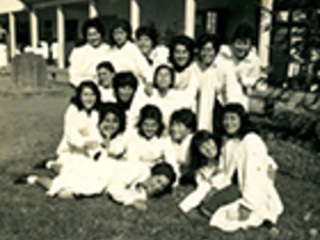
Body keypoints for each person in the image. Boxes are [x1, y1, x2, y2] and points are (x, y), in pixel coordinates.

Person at [190, 104, 283, 232]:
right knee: (205, 205)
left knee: (213, 211)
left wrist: (248, 204)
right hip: (235, 184)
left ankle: (264, 221)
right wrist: (214, 186)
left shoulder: (251, 140)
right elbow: (225, 170)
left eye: (233, 118)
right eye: (225, 119)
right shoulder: (229, 142)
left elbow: (254, 174)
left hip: (251, 189)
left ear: (241, 120)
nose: (228, 123)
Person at [14, 102, 130, 198]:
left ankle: (47, 166)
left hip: (103, 177)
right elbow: (93, 156)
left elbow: (117, 152)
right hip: (87, 172)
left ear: (120, 124)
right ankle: (35, 178)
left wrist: (108, 145)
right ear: (100, 122)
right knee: (63, 192)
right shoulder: (94, 137)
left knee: (65, 180)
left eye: (115, 121)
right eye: (106, 121)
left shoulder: (120, 140)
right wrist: (100, 144)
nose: (110, 125)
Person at [38, 81, 102, 172]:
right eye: (86, 95)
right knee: (73, 170)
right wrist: (84, 142)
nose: (89, 98)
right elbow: (70, 133)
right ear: (80, 96)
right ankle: (50, 164)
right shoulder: (73, 110)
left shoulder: (97, 112)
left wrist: (95, 143)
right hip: (73, 149)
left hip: (93, 148)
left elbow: (97, 131)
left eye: (92, 95)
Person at [196, 33, 243, 134]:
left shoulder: (225, 66)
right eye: (203, 50)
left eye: (210, 50)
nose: (206, 53)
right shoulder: (196, 66)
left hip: (216, 109)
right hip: (198, 106)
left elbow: (232, 91)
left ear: (216, 51)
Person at [215, 23, 262, 110]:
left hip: (241, 104)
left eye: (245, 44)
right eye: (238, 43)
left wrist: (243, 80)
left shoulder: (254, 61)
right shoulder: (222, 56)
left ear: (251, 45)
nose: (241, 47)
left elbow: (255, 81)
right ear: (232, 42)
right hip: (219, 101)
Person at [179, 130, 222, 212]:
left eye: (209, 142)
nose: (208, 148)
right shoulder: (202, 170)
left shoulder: (225, 154)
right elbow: (202, 189)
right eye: (203, 147)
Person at [126, 104, 174, 169]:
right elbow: (132, 162)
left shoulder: (164, 139)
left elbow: (171, 161)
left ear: (159, 125)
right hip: (139, 171)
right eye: (146, 125)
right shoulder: (134, 137)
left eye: (153, 125)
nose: (149, 129)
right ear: (141, 124)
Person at [148, 64, 194, 130]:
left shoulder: (181, 96)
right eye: (160, 75)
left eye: (166, 75)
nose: (163, 78)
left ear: (171, 79)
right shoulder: (149, 95)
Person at [107, 19, 152, 85]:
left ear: (127, 33)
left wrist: (149, 82)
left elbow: (145, 70)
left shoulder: (133, 49)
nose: (119, 36)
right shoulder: (110, 51)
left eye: (121, 33)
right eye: (116, 33)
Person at [68, 18, 110, 87]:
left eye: (95, 34)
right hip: (85, 88)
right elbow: (74, 76)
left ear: (101, 34)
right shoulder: (79, 52)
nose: (93, 38)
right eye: (90, 35)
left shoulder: (109, 49)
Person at [164, 108, 197, 182]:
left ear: (189, 129)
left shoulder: (194, 141)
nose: (174, 128)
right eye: (172, 124)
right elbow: (171, 163)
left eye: (179, 125)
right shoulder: (167, 141)